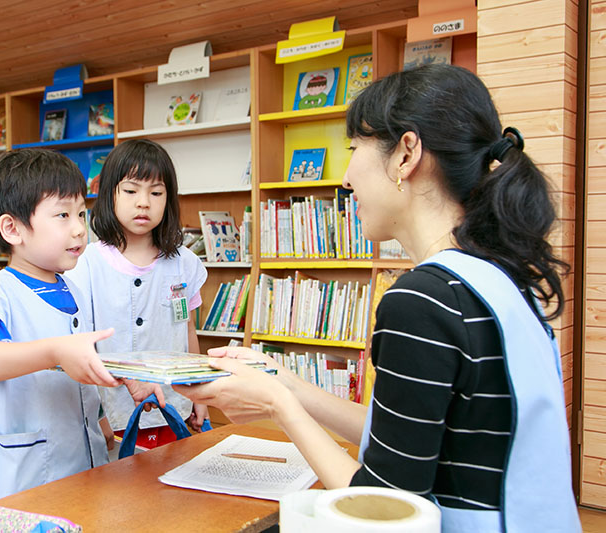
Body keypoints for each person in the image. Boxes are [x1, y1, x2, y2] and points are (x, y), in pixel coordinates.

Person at [175, 64, 580, 532]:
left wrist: (276, 406)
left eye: (355, 149)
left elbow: (383, 512)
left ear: (406, 154)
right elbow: (414, 439)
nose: (346, 178)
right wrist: (286, 382)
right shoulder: (499, 279)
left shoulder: (423, 300)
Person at [0, 149, 162, 502]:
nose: (80, 229)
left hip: (78, 466)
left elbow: (81, 361)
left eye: (81, 213)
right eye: (63, 215)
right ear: (12, 229)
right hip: (18, 479)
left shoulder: (74, 290)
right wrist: (54, 352)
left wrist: (124, 381)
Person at [65, 138, 209, 451]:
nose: (143, 202)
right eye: (131, 191)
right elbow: (80, 345)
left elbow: (187, 330)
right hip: (111, 416)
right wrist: (97, 414)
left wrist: (199, 393)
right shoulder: (86, 263)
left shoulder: (185, 263)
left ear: (168, 199)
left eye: (156, 193)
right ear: (110, 195)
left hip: (174, 407)